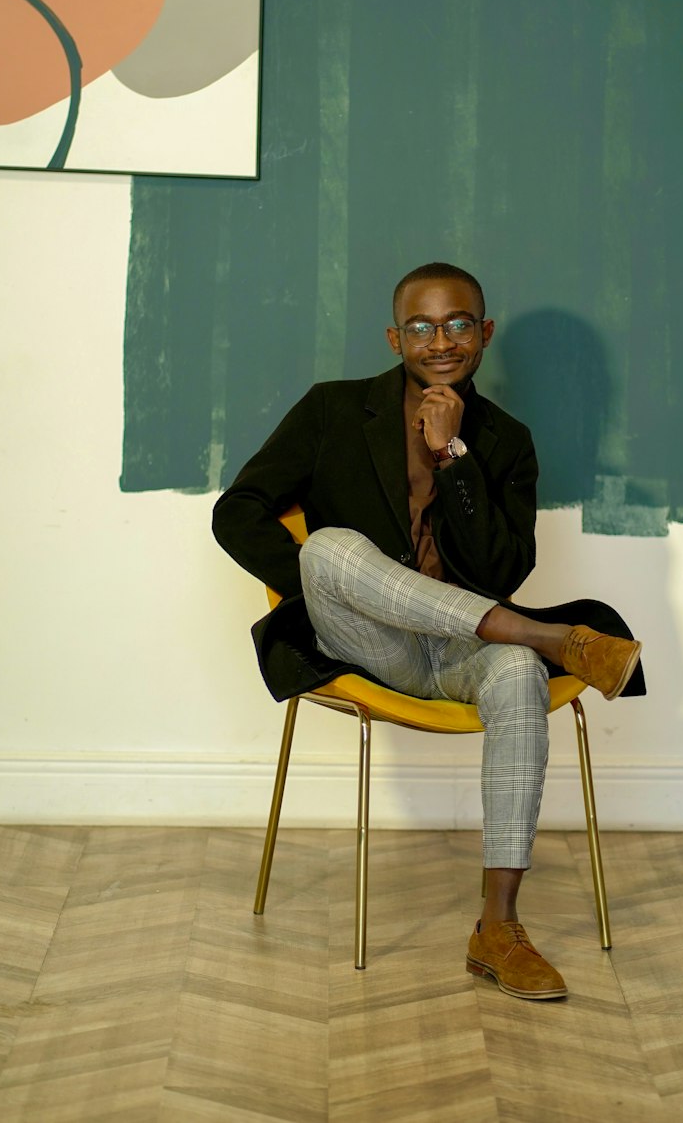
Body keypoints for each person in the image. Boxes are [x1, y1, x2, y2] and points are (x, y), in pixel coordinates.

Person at [212, 262, 645, 1000]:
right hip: (365, 644)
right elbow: (237, 510)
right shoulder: (332, 411)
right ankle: (548, 636)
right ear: (394, 337)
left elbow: (502, 564)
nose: (439, 340)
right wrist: (319, 587)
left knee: (514, 673)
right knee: (328, 548)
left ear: (483, 333)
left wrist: (454, 455)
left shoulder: (505, 441)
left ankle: (497, 928)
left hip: (458, 654)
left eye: (456, 324)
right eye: (421, 326)